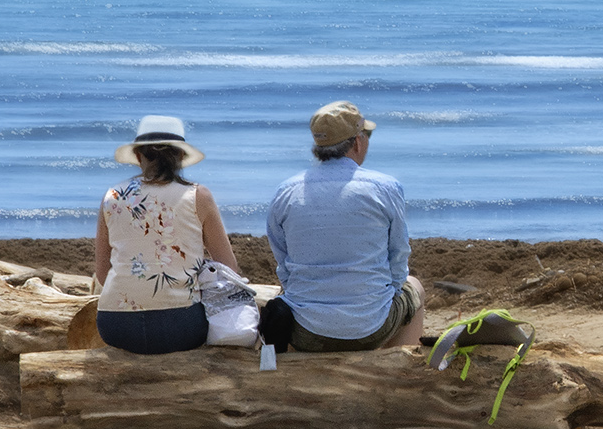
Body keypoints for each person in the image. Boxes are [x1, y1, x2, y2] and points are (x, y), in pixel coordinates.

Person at [264, 101, 423, 352]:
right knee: (414, 287)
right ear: (357, 142)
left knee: (290, 298)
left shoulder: (286, 191)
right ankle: (398, 366)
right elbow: (399, 257)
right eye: (366, 135)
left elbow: (283, 263)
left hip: (306, 331)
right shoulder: (385, 187)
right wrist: (384, 294)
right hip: (371, 328)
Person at [94, 115, 240, 354]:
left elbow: (102, 274)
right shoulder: (198, 196)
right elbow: (229, 269)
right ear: (181, 156)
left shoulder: (113, 196)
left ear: (138, 156)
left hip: (116, 324)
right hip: (181, 325)